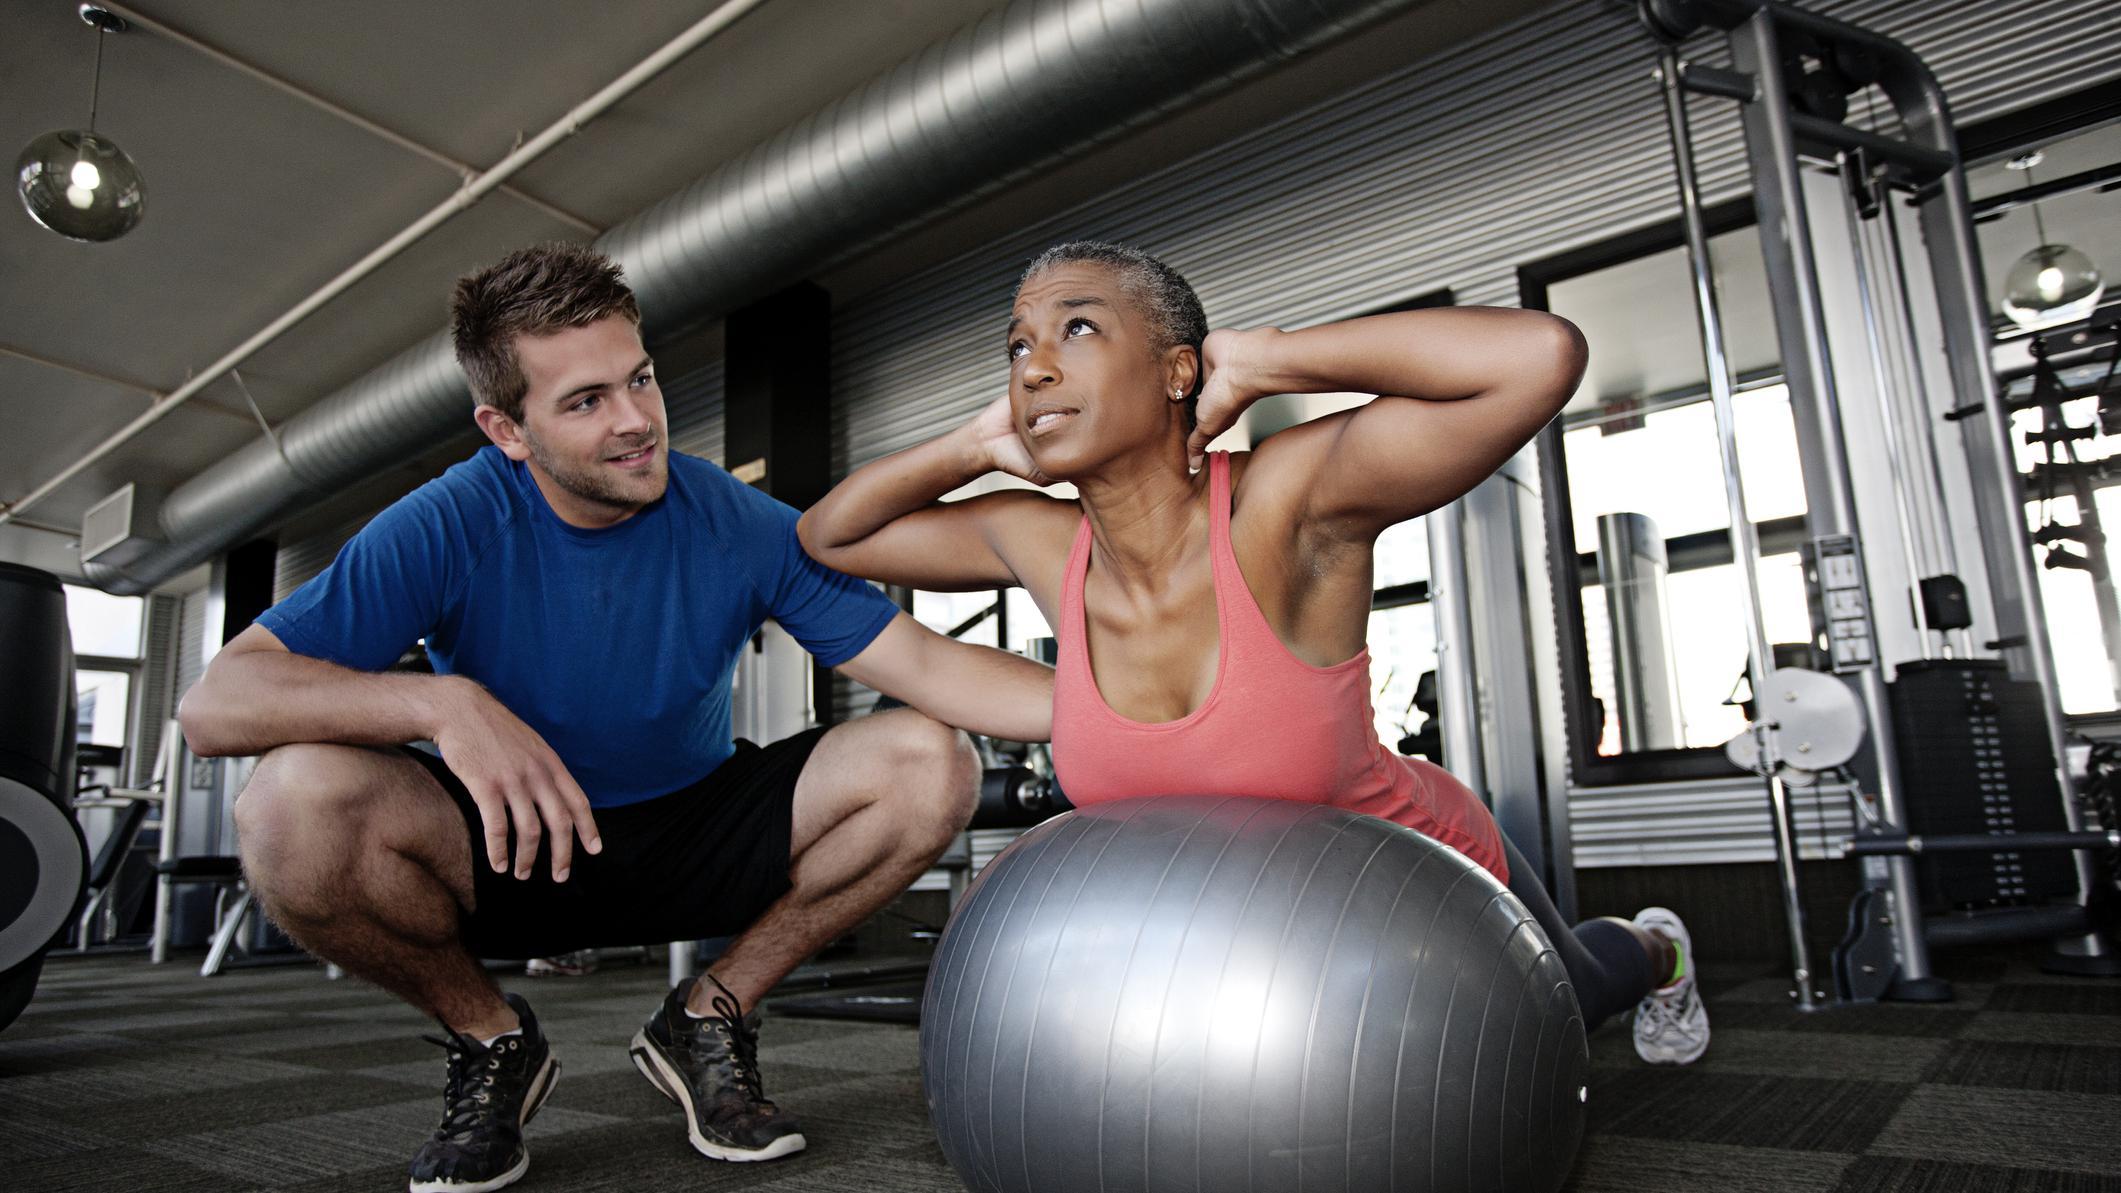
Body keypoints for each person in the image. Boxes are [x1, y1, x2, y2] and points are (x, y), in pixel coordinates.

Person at [178, 243, 1056, 1193]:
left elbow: (924, 664)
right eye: (585, 400)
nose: (638, 421)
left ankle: (709, 1013)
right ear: (507, 430)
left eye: (639, 378)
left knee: (931, 759)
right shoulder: (447, 522)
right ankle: (489, 1037)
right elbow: (215, 703)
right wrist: (441, 699)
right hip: (513, 840)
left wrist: (1148, 709)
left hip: (696, 826)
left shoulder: (736, 519)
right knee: (289, 803)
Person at [798, 240, 1709, 1067]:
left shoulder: (1287, 501)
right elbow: (831, 536)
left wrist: (1270, 359)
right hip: (1243, 932)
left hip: (1416, 879)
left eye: (1076, 328)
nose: (1034, 367)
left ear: (1176, 370)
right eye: (1016, 347)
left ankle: (1656, 948)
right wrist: (972, 445)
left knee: (1573, 1000)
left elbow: (1538, 357)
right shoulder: (1034, 539)